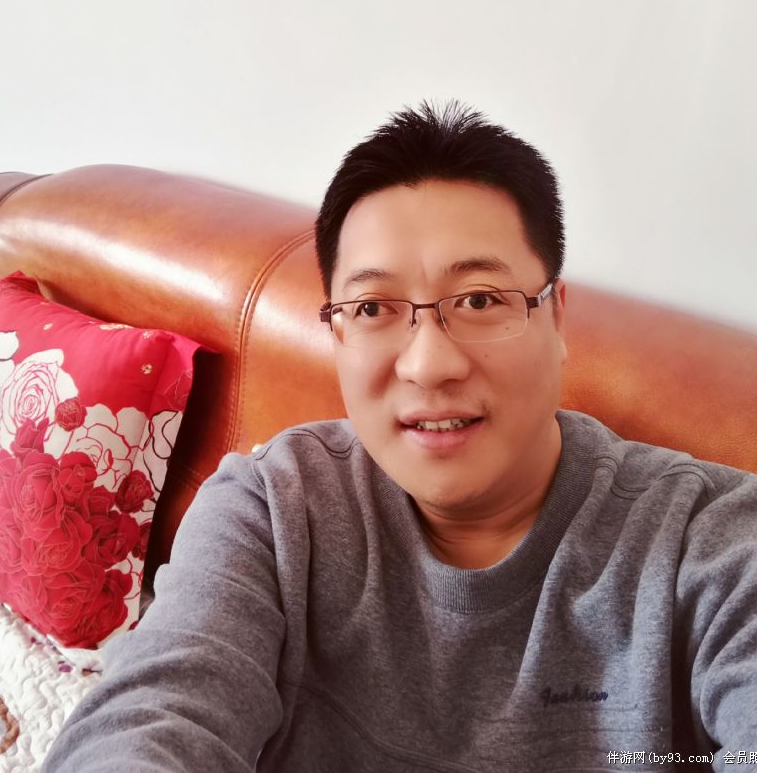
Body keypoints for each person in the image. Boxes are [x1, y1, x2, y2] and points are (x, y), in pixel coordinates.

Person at [43, 101, 757, 772]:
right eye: (373, 307)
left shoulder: (708, 544)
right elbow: (155, 713)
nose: (429, 364)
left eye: (480, 299)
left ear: (556, 318)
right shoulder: (271, 512)